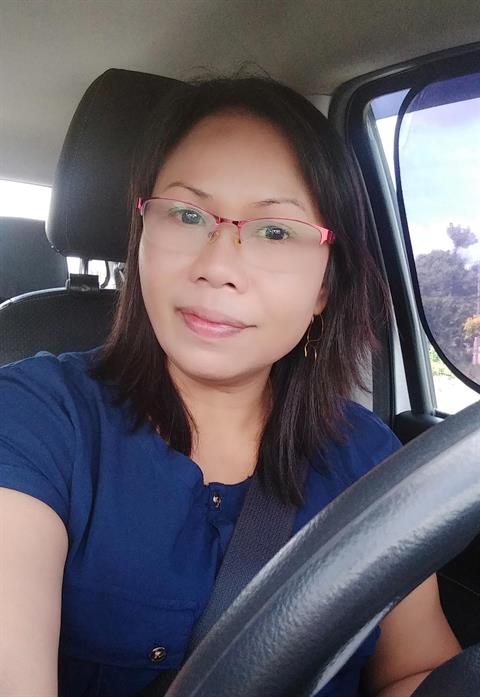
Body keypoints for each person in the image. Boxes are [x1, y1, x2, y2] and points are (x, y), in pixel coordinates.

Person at [0, 74, 460, 697]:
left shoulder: (368, 458)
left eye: (275, 230)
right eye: (187, 215)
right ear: (141, 236)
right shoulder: (34, 420)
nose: (217, 266)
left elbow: (415, 669)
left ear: (325, 286)